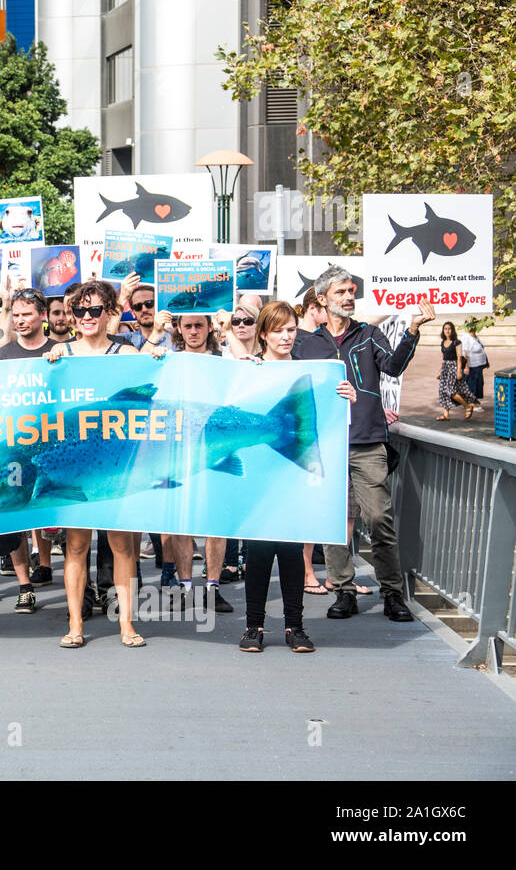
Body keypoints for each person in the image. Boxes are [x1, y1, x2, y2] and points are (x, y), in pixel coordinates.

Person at [293, 265, 434, 622]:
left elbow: (394, 367)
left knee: (379, 519)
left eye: (351, 290)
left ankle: (392, 593)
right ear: (322, 300)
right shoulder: (307, 343)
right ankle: (343, 591)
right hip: (327, 445)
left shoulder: (369, 334)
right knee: (334, 522)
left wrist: (412, 331)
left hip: (367, 442)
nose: (348, 297)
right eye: (340, 292)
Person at [238, 301, 357, 654]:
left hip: (293, 478)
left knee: (292, 551)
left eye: (291, 330)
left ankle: (295, 626)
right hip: (259, 477)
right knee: (258, 552)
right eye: (277, 330)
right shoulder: (249, 370)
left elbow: (332, 419)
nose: (286, 337)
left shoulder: (316, 374)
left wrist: (347, 397)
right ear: (263, 334)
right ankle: (253, 625)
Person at [43, 280, 152, 648]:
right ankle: (75, 625)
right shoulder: (61, 355)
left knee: (122, 547)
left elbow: (155, 379)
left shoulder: (125, 354)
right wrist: (52, 360)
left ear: (110, 314)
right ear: (71, 316)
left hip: (114, 467)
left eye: (94, 310)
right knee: (75, 546)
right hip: (75, 466)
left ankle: (127, 624)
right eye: (80, 310)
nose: (87, 317)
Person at [0, 286, 60, 614]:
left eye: (26, 314)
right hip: (16, 446)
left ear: (42, 315)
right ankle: (24, 585)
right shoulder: (4, 354)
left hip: (54, 443)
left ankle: (50, 566)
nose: (20, 320)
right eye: (15, 315)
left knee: (51, 509)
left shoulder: (60, 349)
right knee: (17, 511)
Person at [160, 314, 233, 614]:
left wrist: (230, 333)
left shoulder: (224, 360)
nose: (193, 331)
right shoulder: (168, 361)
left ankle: (213, 588)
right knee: (182, 523)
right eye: (187, 326)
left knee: (216, 524)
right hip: (178, 450)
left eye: (198, 325)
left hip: (215, 447)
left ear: (209, 327)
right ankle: (186, 587)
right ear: (178, 328)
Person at [436, 322, 480, 421]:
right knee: (442, 391)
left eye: (449, 329)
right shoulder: (443, 342)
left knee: (451, 391)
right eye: (445, 329)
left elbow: (459, 358)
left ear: (453, 330)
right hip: (445, 368)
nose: (447, 331)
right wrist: (440, 371)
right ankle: (446, 415)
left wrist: (459, 371)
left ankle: (467, 406)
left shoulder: (457, 342)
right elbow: (443, 358)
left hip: (453, 367)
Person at [460, 325, 489, 402]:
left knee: (478, 384)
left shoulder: (475, 336)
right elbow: (464, 353)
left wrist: (486, 361)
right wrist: (466, 367)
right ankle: (472, 404)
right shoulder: (466, 337)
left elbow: (481, 349)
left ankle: (474, 402)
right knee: (472, 385)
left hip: (478, 366)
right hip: (472, 366)